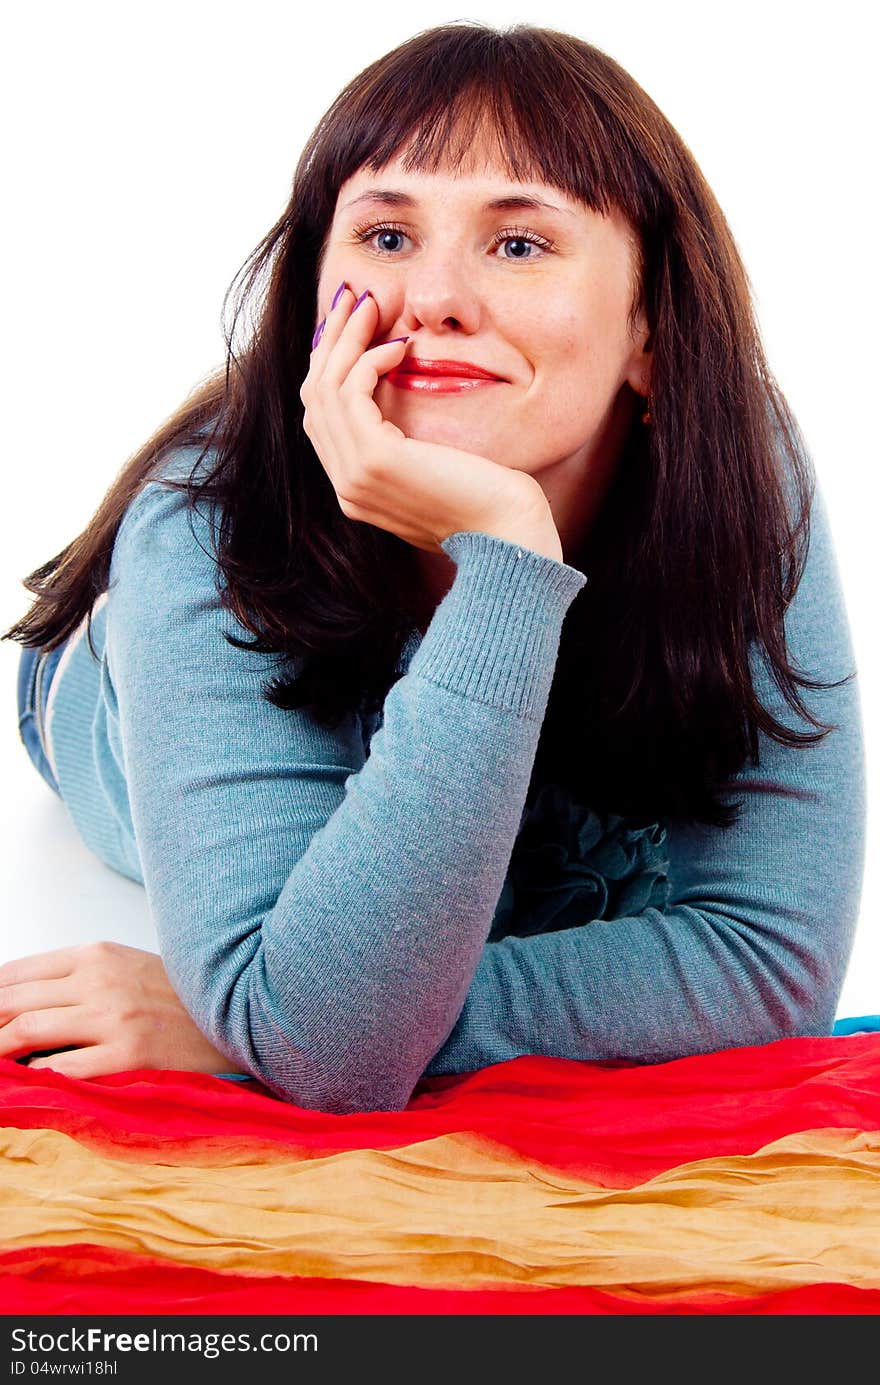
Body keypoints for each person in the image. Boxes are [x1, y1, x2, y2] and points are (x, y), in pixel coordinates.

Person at [2, 21, 866, 1113]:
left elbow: (769, 958)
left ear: (649, 323)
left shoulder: (740, 475)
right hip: (108, 691)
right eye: (386, 235)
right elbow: (328, 1044)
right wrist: (507, 562)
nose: (433, 299)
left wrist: (252, 1015)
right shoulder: (202, 527)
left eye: (518, 244)